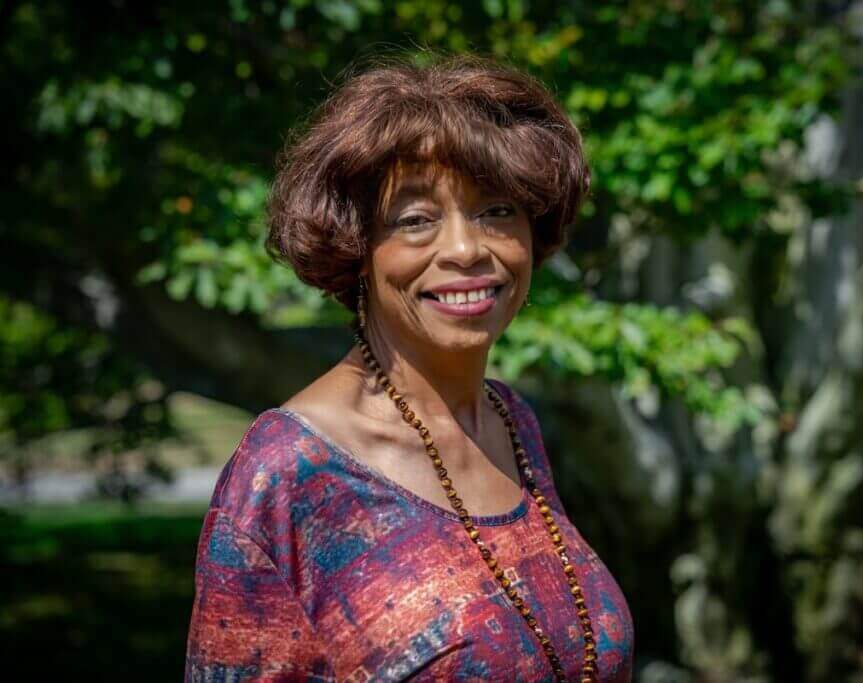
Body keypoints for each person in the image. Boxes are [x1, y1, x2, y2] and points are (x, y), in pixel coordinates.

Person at [184, 53, 634, 682]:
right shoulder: (291, 474)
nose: (465, 248)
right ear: (356, 248)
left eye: (497, 210)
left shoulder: (512, 423)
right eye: (416, 220)